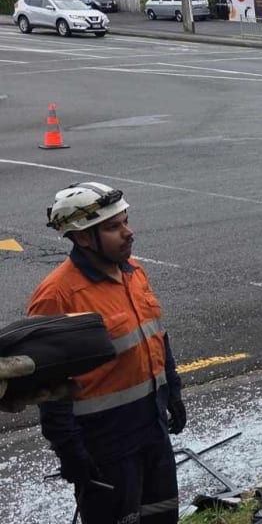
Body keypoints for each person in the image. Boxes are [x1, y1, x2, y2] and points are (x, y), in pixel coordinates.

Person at [27, 182, 186, 524]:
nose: (128, 233)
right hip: (105, 445)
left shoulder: (134, 272)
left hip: (152, 428)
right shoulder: (57, 296)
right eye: (114, 227)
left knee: (162, 516)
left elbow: (156, 334)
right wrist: (69, 450)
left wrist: (172, 389)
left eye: (126, 221)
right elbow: (47, 388)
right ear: (84, 238)